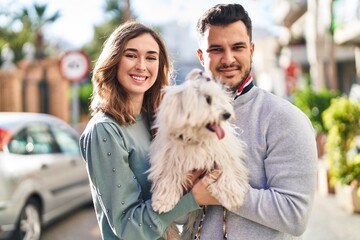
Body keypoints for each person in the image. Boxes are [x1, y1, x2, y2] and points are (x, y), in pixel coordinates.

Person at [79, 20, 219, 240]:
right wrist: (194, 197)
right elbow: (127, 227)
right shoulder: (104, 131)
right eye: (131, 55)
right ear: (114, 61)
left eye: (151, 57)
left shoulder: (153, 120)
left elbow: (169, 204)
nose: (141, 66)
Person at [193, 3, 318, 239]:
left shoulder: (285, 119)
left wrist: (221, 191)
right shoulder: (190, 119)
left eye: (237, 47)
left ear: (251, 50)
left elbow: (295, 216)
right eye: (216, 49)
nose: (228, 58)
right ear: (201, 56)